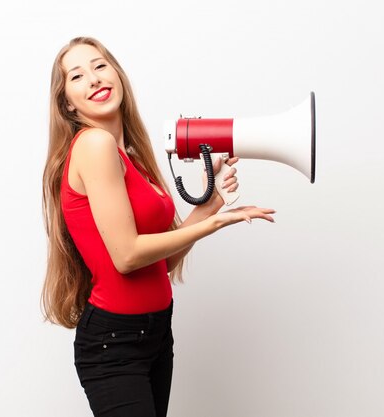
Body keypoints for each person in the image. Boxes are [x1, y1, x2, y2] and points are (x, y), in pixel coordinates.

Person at [41, 36, 276, 417]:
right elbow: (128, 257)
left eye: (100, 66)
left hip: (154, 334)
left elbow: (159, 264)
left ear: (117, 73)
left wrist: (208, 204)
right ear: (67, 102)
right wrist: (214, 224)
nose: (95, 79)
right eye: (78, 76)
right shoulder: (94, 145)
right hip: (114, 343)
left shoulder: (130, 157)